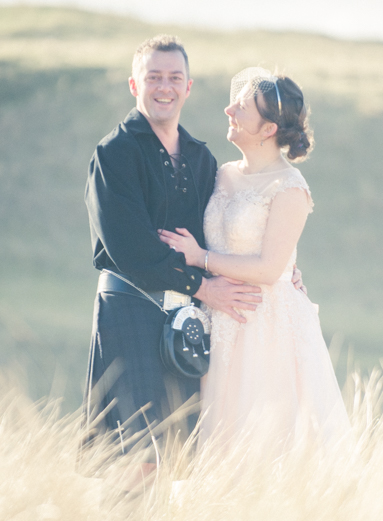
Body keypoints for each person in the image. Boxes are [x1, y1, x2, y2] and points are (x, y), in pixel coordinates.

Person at [79, 36, 265, 474]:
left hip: (188, 323)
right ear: (134, 85)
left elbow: (222, 236)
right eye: (154, 77)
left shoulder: (202, 158)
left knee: (182, 454)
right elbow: (132, 251)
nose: (164, 87)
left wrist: (278, 271)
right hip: (129, 312)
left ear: (188, 87)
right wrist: (202, 285)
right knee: (138, 454)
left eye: (174, 78)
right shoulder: (114, 154)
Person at [158, 68, 350, 454]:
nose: (228, 109)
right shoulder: (224, 174)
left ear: (267, 129)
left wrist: (201, 257)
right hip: (219, 320)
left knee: (260, 438)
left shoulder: (290, 187)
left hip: (265, 324)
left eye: (242, 107)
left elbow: (268, 268)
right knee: (217, 435)